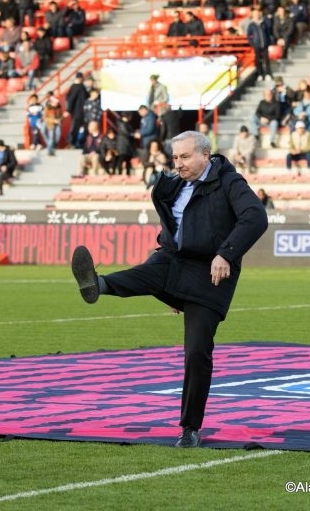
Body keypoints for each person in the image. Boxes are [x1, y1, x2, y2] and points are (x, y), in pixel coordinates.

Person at [70, 131, 268, 448]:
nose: (179, 164)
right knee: (152, 266)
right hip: (175, 266)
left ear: (206, 154)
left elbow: (256, 218)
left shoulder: (230, 182)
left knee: (197, 352)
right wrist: (170, 290)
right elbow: (170, 235)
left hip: (211, 275)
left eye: (185, 157)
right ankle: (100, 284)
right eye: (175, 158)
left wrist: (226, 253)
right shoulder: (173, 186)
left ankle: (190, 429)